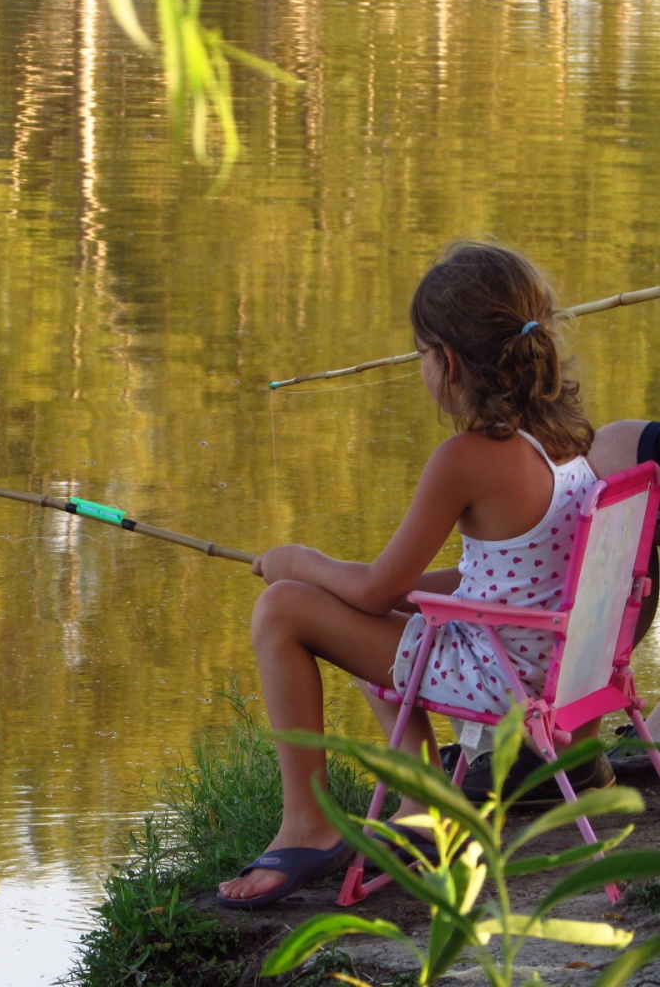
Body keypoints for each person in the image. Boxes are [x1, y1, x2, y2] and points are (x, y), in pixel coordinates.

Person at [217, 239, 598, 908]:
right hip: (561, 665)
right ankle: (424, 803)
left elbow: (373, 590)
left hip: (507, 680)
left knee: (283, 608)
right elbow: (514, 574)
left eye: (421, 352)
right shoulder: (566, 444)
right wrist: (409, 598)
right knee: (387, 626)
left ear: (447, 362)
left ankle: (309, 823)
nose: (421, 366)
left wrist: (295, 561)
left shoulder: (465, 459)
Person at [448, 418, 660, 802]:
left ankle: (424, 800)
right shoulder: (577, 465)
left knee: (419, 635)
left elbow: (378, 591)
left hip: (540, 684)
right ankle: (557, 755)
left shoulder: (462, 459)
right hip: (588, 670)